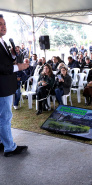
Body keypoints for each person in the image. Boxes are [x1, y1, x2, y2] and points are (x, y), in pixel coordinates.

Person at [0, 14, 29, 157]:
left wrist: (12, 55)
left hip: (4, 86)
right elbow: (2, 67)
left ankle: (2, 141)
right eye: (0, 24)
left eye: (4, 23)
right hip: (2, 87)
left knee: (2, 117)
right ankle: (10, 147)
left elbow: (5, 61)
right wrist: (19, 67)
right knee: (5, 117)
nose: (3, 26)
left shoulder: (2, 42)